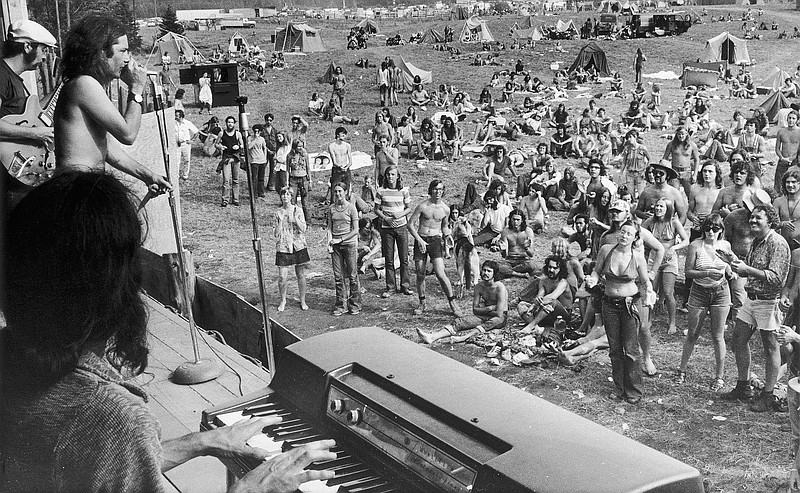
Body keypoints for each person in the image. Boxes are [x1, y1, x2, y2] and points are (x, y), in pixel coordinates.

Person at [1, 170, 336, 493]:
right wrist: (254, 488)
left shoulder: (11, 355)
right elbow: (105, 439)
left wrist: (201, 442)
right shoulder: (113, 416)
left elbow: (95, 463)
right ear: (122, 288)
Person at [54, 15, 170, 197]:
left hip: (84, 186)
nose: (128, 58)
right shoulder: (84, 84)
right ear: (101, 52)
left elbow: (106, 147)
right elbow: (128, 134)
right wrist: (136, 89)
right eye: (123, 51)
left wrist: (148, 176)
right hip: (75, 190)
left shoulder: (89, 84)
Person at [722, 204, 790, 413]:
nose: (752, 221)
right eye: (751, 218)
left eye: (758, 218)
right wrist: (735, 265)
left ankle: (768, 395)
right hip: (751, 299)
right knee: (738, 339)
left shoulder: (777, 243)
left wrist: (746, 269)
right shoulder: (757, 241)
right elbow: (750, 271)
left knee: (771, 348)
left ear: (770, 221)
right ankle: (744, 386)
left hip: (769, 302)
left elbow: (776, 278)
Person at [587, 220, 655, 405]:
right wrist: (592, 280)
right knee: (615, 350)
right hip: (609, 304)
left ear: (635, 238)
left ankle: (634, 390)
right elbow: (596, 271)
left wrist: (649, 292)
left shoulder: (637, 257)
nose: (624, 236)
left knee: (631, 349)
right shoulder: (606, 250)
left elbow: (645, 280)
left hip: (630, 304)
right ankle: (619, 388)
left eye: (629, 234)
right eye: (622, 232)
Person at [0, 19, 58, 207]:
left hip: (16, 176)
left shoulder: (15, 79)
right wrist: (36, 133)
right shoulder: (1, 74)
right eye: (43, 49)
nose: (44, 57)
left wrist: (61, 85)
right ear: (27, 47)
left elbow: (33, 114)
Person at [677, 214, 733, 391]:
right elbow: (688, 272)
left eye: (715, 229)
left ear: (721, 230)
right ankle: (682, 370)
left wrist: (731, 272)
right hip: (699, 291)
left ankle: (719, 377)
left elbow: (728, 266)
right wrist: (707, 273)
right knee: (692, 333)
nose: (710, 232)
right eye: (707, 228)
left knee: (718, 336)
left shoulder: (725, 245)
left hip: (721, 291)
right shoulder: (695, 245)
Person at [417, 261, 507, 344]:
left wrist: (483, 309)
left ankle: (463, 338)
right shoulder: (479, 287)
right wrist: (489, 308)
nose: (485, 273)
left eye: (489, 271)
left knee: (494, 321)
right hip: (485, 314)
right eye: (484, 270)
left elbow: (499, 314)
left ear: (494, 274)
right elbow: (475, 310)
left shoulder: (500, 288)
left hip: (499, 318)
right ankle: (432, 337)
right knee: (461, 321)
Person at [408, 180, 462, 317]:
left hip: (435, 240)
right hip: (421, 239)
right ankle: (422, 303)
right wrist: (419, 240)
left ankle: (452, 303)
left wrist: (448, 235)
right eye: (435, 189)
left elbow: (444, 226)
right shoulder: (422, 206)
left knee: (440, 273)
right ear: (431, 190)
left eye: (440, 189)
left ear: (443, 191)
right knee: (420, 273)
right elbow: (410, 224)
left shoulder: (445, 209)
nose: (438, 192)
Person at [642, 198, 689, 335]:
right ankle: (649, 319)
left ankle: (672, 322)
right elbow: (637, 232)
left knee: (668, 292)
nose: (658, 209)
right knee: (651, 290)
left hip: (669, 260)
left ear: (668, 208)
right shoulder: (650, 221)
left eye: (661, 207)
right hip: (653, 259)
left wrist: (674, 247)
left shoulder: (674, 222)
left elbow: (686, 240)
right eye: (656, 206)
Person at [375, 166, 413, 297]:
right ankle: (390, 287)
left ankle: (405, 286)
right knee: (389, 259)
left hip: (401, 227)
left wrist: (401, 214)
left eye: (393, 174)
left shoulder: (403, 191)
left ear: (397, 176)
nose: (390, 177)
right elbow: (376, 209)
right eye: (388, 174)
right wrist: (385, 218)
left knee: (404, 259)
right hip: (387, 228)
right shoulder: (381, 191)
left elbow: (409, 208)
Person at [274, 185, 310, 312]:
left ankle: (302, 300)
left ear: (291, 196)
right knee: (282, 277)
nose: (285, 196)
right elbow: (276, 233)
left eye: (288, 194)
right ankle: (283, 299)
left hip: (297, 244)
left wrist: (294, 219)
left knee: (300, 274)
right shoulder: (278, 212)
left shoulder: (298, 210)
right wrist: (280, 221)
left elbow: (303, 228)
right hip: (283, 245)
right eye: (283, 194)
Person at [327, 181, 361, 316]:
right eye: (335, 191)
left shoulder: (351, 208)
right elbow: (329, 227)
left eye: (340, 191)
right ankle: (341, 305)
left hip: (349, 245)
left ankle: (355, 304)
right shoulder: (331, 208)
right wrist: (329, 241)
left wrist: (341, 239)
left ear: (346, 192)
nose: (338, 194)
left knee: (352, 276)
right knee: (338, 276)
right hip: (335, 246)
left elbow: (356, 230)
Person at [518, 255, 573, 334]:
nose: (551, 270)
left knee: (551, 301)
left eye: (555, 268)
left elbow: (552, 297)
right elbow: (540, 295)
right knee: (521, 305)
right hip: (547, 311)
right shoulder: (543, 281)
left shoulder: (563, 282)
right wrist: (534, 304)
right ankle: (536, 327)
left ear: (561, 270)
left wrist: (535, 305)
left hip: (562, 315)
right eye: (550, 267)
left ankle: (530, 326)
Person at [687, 161, 723, 241]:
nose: (707, 174)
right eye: (704, 171)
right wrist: (693, 218)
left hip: (714, 229)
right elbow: (689, 212)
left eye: (710, 171)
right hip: (698, 227)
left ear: (716, 173)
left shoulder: (721, 191)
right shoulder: (694, 189)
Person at [662, 126, 700, 197]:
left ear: (686, 134)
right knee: (674, 194)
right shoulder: (671, 144)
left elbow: (697, 160)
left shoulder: (692, 145)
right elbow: (665, 158)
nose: (681, 136)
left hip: (687, 172)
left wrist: (695, 174)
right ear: (676, 135)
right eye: (679, 134)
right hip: (674, 172)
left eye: (683, 134)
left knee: (690, 195)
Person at [498, 209, 536, 279]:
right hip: (510, 260)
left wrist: (526, 248)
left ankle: (509, 273)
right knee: (498, 266)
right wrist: (502, 250)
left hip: (524, 260)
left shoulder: (528, 231)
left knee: (532, 265)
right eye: (514, 219)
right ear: (510, 220)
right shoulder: (505, 231)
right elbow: (504, 256)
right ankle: (519, 274)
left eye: (518, 220)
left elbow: (531, 254)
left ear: (522, 220)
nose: (515, 222)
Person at [215, 116, 243, 207]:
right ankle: (225, 200)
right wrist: (221, 147)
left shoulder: (238, 134)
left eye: (232, 122)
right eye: (228, 122)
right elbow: (216, 144)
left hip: (235, 158)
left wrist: (238, 147)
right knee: (226, 180)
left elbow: (242, 144)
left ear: (234, 124)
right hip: (226, 158)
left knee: (236, 180)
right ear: (226, 123)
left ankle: (235, 199)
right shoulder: (222, 133)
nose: (230, 124)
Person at [618, 128, 650, 199]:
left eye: (630, 137)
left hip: (640, 173)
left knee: (641, 193)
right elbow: (624, 162)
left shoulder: (642, 148)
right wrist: (621, 172)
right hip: (629, 173)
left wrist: (645, 170)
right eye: (627, 138)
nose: (629, 139)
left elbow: (649, 159)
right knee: (630, 194)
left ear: (635, 137)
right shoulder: (627, 149)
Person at [286, 139, 311, 221]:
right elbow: (287, 170)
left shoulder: (305, 154)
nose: (300, 148)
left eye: (301, 146)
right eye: (298, 146)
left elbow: (308, 168)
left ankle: (307, 220)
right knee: (293, 200)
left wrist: (310, 180)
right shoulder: (290, 155)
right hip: (293, 179)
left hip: (303, 179)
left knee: (305, 201)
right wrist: (287, 182)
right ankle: (293, 219)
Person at [776, 111, 800, 193]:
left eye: (793, 118)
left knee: (794, 184)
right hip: (782, 162)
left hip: (795, 162)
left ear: (797, 120)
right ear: (787, 119)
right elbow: (777, 148)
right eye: (789, 118)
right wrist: (782, 158)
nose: (791, 120)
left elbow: (799, 150)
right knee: (779, 185)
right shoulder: (781, 131)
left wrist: (792, 158)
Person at [327, 127, 353, 202]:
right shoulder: (332, 146)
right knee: (334, 189)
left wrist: (347, 166)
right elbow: (334, 161)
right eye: (342, 134)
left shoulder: (347, 145)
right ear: (337, 135)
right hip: (337, 170)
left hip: (346, 169)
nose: (344, 136)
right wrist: (339, 166)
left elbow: (350, 160)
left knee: (346, 189)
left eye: (345, 134)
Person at [174, 109, 198, 181]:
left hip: (185, 144)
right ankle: (176, 176)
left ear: (181, 117)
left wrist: (192, 140)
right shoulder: (173, 123)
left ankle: (185, 175)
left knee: (186, 160)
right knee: (176, 161)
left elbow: (196, 132)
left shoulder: (187, 123)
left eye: (177, 116)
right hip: (176, 144)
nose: (175, 117)